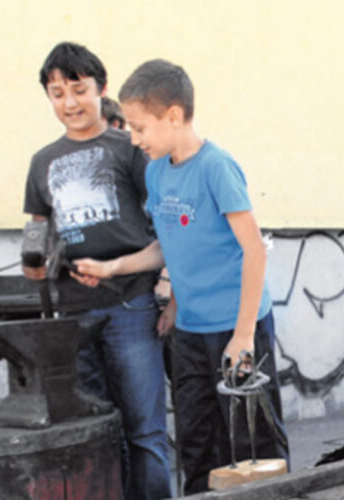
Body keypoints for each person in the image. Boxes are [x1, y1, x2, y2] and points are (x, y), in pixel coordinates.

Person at [74, 58, 289, 494]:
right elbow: (168, 244)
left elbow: (253, 250)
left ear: (173, 115)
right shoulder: (156, 171)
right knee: (197, 443)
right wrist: (114, 268)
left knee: (253, 444)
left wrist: (244, 335)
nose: (134, 139)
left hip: (236, 327)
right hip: (190, 333)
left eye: (139, 128)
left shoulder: (216, 167)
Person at [22, 42, 170, 500]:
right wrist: (35, 262)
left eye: (79, 90)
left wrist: (167, 285)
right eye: (57, 93)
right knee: (96, 432)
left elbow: (166, 223)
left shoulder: (131, 148)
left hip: (131, 305)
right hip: (73, 315)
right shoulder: (42, 161)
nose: (69, 103)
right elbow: (37, 228)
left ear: (101, 89)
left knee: (145, 431)